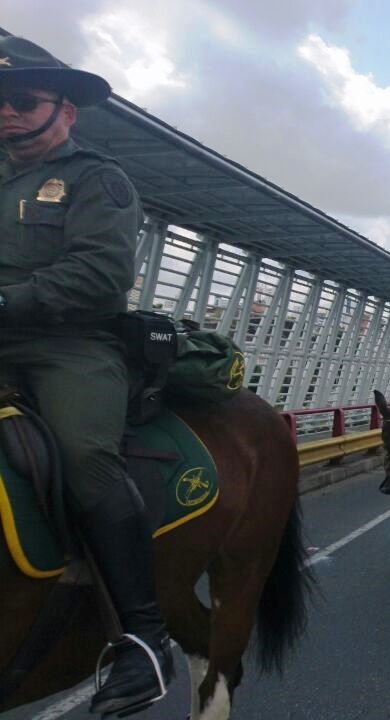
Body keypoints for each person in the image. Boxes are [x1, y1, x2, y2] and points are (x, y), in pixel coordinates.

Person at [0, 36, 173, 714]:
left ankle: (145, 636)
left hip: (67, 346)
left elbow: (102, 274)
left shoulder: (97, 179)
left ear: (66, 111)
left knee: (84, 458)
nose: (7, 113)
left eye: (22, 101)